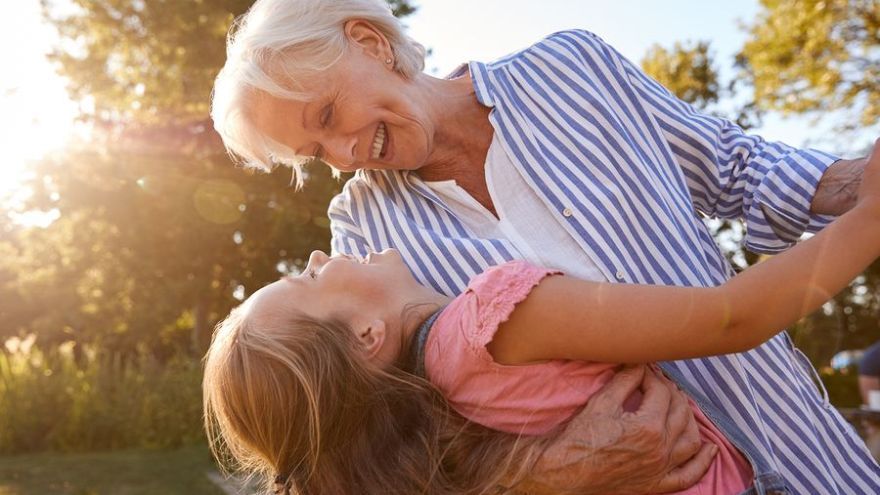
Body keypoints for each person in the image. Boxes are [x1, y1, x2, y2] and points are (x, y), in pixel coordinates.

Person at [210, 0, 880, 492]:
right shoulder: (363, 239)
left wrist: (862, 187)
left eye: (327, 117)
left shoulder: (572, 68)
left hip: (806, 450)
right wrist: (540, 476)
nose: (342, 153)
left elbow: (736, 168)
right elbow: (400, 440)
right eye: (314, 150)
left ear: (369, 42)